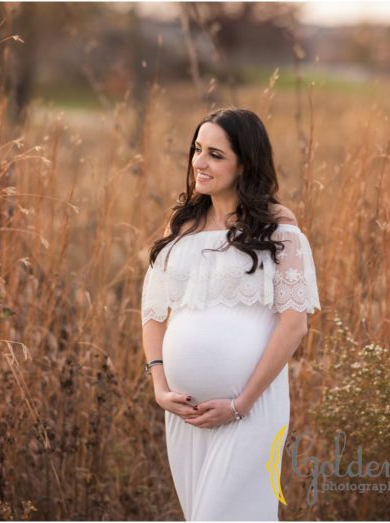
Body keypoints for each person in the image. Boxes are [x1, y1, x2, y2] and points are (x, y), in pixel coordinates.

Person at [140, 108, 320, 520]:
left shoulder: (279, 229)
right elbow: (152, 313)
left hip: (250, 411)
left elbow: (294, 326)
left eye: (216, 155)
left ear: (245, 164)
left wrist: (241, 403)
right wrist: (160, 387)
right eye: (198, 150)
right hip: (186, 415)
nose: (200, 163)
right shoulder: (180, 226)